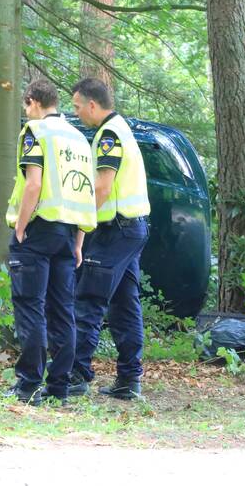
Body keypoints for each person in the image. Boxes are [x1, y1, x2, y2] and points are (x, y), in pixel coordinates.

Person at [5, 79, 97, 404]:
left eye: (26, 106)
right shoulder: (78, 139)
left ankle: (28, 386)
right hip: (69, 233)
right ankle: (59, 387)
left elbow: (33, 184)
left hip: (38, 230)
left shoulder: (35, 132)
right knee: (62, 310)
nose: (26, 112)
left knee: (30, 307)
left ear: (33, 101)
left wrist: (20, 227)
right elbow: (85, 192)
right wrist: (79, 241)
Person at [69, 78, 151, 400]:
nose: (76, 113)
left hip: (115, 230)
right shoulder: (121, 129)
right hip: (131, 229)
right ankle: (129, 379)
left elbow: (103, 187)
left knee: (88, 299)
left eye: (77, 107)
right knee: (124, 305)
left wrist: (81, 226)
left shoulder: (109, 135)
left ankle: (76, 374)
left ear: (92, 105)